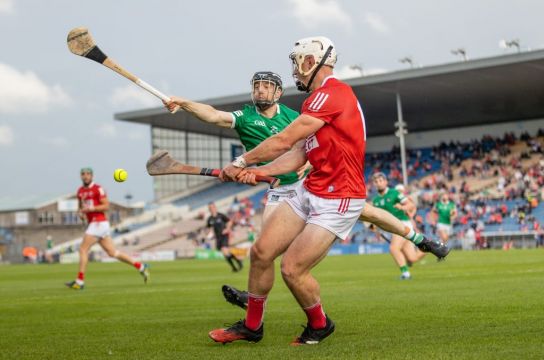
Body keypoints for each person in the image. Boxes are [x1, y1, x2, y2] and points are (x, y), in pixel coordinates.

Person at [208, 36, 449, 345]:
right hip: (312, 187)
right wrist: (256, 172)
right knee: (261, 252)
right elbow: (297, 155)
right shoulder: (314, 101)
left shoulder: (333, 94)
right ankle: (252, 327)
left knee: (292, 269)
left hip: (339, 198)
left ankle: (319, 325)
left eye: (297, 64)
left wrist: (241, 160)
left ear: (311, 62)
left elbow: (283, 140)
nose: (295, 71)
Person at [164, 71, 310, 224]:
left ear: (278, 92)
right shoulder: (245, 117)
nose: (260, 90)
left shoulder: (292, 116)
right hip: (278, 188)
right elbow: (214, 115)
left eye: (266, 86)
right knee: (265, 245)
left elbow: (313, 143)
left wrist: (309, 162)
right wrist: (183, 103)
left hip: (305, 183)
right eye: (256, 86)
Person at [65, 168, 149, 290]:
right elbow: (81, 208)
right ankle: (140, 266)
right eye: (83, 174)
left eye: (88, 174)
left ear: (92, 176)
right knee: (112, 253)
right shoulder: (80, 191)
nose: (85, 176)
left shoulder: (98, 189)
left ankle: (80, 281)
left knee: (83, 249)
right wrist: (81, 214)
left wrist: (91, 209)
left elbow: (106, 205)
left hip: (99, 223)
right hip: (94, 224)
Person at [370, 173, 425, 279]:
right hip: (393, 228)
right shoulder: (375, 201)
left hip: (402, 224)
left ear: (386, 182)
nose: (379, 183)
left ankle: (405, 274)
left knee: (394, 248)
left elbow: (411, 205)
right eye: (376, 182)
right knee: (412, 258)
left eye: (381, 181)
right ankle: (431, 247)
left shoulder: (394, 193)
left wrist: (402, 207)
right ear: (374, 184)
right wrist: (374, 226)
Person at [206, 202, 242, 272]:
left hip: (224, 235)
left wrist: (227, 229)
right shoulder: (209, 219)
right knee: (225, 253)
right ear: (209, 209)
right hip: (218, 237)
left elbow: (229, 222)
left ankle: (236, 264)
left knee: (224, 250)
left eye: (212, 207)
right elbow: (209, 228)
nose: (212, 209)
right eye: (210, 208)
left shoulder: (221, 215)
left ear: (215, 208)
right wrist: (209, 234)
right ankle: (236, 264)